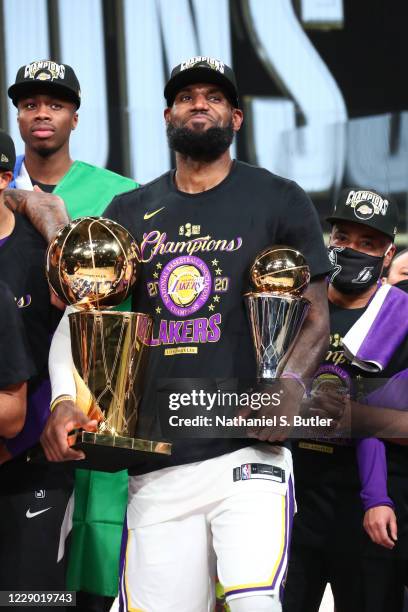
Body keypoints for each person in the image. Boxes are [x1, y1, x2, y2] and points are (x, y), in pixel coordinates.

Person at [42, 56, 331, 612]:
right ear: (168, 114)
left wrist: (290, 386)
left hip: (246, 449)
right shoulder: (129, 210)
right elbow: (83, 314)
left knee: (252, 603)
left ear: (237, 118)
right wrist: (61, 399)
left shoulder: (279, 199)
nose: (199, 103)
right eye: (186, 96)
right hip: (158, 462)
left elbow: (314, 313)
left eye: (214, 96)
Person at [7, 59, 138, 611]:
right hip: (13, 404)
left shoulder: (121, 196)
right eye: (30, 103)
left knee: (95, 558)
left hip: (95, 395)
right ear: (17, 114)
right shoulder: (3, 183)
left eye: (55, 104)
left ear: (75, 117)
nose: (42, 114)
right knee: (22, 585)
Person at [283, 187, 408, 612]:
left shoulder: (401, 316)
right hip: (292, 496)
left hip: (370, 499)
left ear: (388, 254)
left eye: (368, 244)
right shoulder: (294, 305)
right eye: (343, 240)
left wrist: (357, 419)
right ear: (328, 240)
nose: (352, 250)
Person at [0, 129, 73, 599]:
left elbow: (68, 348)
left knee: (31, 599)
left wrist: (18, 443)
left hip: (32, 458)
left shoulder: (41, 251)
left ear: (5, 178)